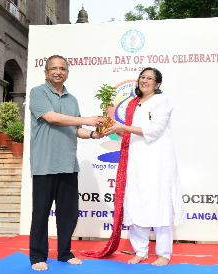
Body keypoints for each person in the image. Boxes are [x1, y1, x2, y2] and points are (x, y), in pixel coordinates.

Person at [83, 67, 185, 266]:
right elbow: (130, 133)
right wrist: (115, 129)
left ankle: (164, 253)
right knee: (136, 202)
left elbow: (154, 131)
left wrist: (123, 127)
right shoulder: (133, 103)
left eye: (150, 78)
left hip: (157, 162)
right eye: (142, 77)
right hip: (136, 160)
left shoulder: (161, 101)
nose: (144, 80)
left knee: (160, 205)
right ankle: (141, 250)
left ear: (158, 84)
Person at [28, 55, 107, 271]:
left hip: (68, 165)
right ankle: (37, 256)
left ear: (67, 73)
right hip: (45, 164)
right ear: (46, 72)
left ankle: (64, 253)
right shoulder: (38, 93)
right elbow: (53, 118)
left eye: (62, 68)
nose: (58, 72)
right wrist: (87, 119)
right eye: (53, 68)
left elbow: (75, 128)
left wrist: (92, 134)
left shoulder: (72, 99)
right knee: (41, 213)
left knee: (68, 214)